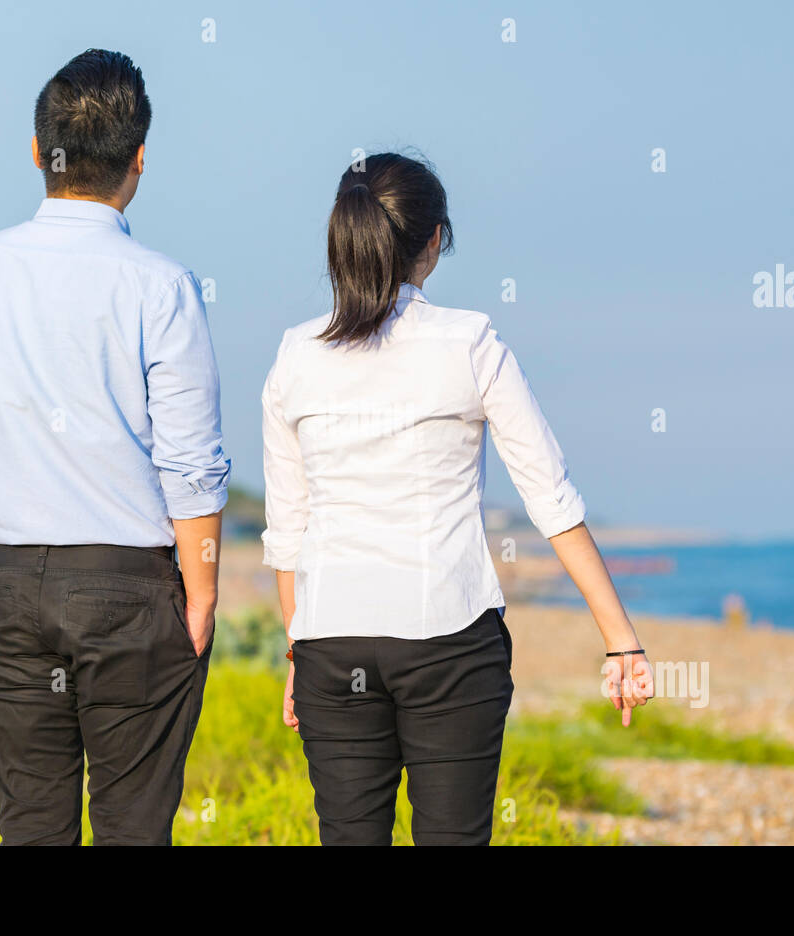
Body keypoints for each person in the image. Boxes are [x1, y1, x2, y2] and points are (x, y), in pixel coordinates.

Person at [262, 153, 653, 846]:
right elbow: (550, 497)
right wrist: (620, 642)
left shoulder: (295, 354)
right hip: (447, 634)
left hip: (330, 644)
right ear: (434, 241)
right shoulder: (469, 341)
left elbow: (288, 532)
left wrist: (298, 651)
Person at [0, 49, 228, 845]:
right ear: (139, 160)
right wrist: (201, 593)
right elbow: (190, 463)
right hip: (128, 585)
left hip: (6, 578)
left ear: (37, 152)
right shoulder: (162, 284)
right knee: (133, 828)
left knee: (30, 823)